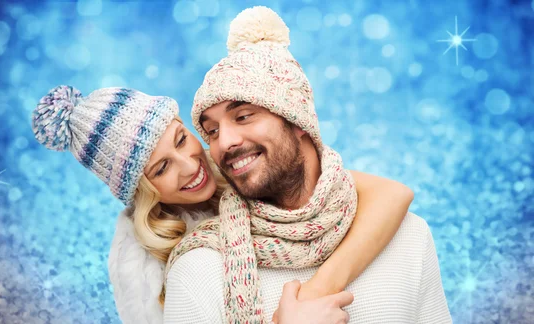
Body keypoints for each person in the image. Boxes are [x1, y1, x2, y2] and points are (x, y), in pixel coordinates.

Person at [162, 6, 452, 324]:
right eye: (212, 131)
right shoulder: (199, 267)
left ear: (297, 120)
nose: (224, 142)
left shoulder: (408, 236)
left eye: (243, 116)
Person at [31, 85, 412, 324]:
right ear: (141, 191)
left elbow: (392, 194)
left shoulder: (239, 164)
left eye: (181, 140)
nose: (190, 166)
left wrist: (318, 290)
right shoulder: (144, 264)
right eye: (161, 168)